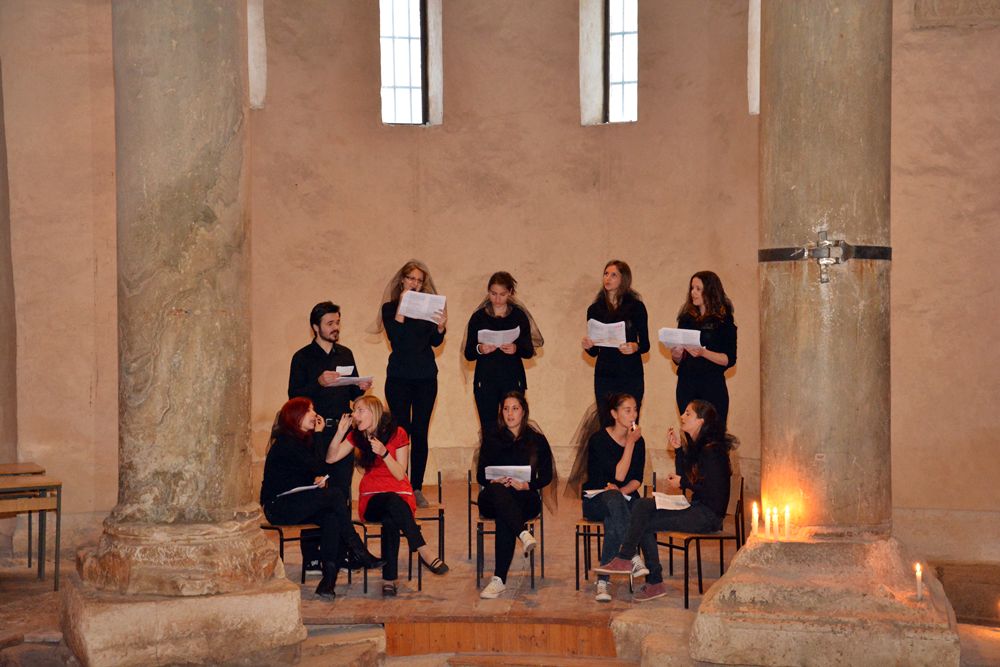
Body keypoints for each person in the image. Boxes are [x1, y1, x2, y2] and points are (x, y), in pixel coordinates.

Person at [595, 399, 737, 602]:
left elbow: (713, 491)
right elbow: (685, 478)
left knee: (644, 521)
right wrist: (678, 450)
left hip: (708, 516)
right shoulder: (700, 446)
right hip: (697, 508)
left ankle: (648, 576)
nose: (682, 416)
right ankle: (629, 561)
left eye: (688, 413)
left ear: (701, 421)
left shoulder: (712, 450)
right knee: (642, 505)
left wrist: (684, 482)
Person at [259, 398, 385, 600]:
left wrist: (315, 479)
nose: (315, 414)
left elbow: (314, 471)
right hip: (278, 507)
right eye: (309, 410)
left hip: (296, 503)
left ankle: (328, 582)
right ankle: (359, 550)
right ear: (296, 416)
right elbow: (319, 466)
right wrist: (319, 435)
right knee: (335, 495)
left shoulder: (302, 440)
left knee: (331, 516)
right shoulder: (286, 442)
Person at [327, 395, 449, 597]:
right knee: (390, 502)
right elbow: (331, 458)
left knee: (391, 517)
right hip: (372, 498)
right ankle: (422, 548)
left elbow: (400, 474)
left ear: (374, 411)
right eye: (354, 410)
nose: (355, 415)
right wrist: (340, 433)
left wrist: (384, 453)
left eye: (360, 410)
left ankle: (389, 579)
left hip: (400, 494)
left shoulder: (398, 433)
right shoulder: (357, 436)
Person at [288, 301, 373, 569]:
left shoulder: (345, 354)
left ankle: (342, 553)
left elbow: (352, 392)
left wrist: (360, 387)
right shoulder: (302, 357)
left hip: (343, 431)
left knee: (341, 491)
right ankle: (312, 555)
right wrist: (318, 383)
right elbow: (294, 397)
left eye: (337, 322)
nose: (335, 327)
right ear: (316, 327)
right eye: (330, 323)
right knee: (315, 490)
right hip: (314, 434)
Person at [371, 260, 447, 509]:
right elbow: (396, 337)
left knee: (421, 432)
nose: (415, 284)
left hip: (425, 377)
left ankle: (416, 487)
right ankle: (400, 484)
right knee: (401, 432)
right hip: (399, 377)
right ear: (402, 280)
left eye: (419, 281)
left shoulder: (427, 308)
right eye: (411, 279)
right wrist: (403, 307)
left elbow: (435, 342)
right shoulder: (390, 308)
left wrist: (441, 327)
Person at [476, 392, 556, 599]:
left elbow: (546, 476)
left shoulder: (536, 440)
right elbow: (480, 475)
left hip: (524, 497)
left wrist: (527, 484)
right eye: (505, 409)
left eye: (515, 408)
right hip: (493, 496)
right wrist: (493, 481)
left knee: (505, 515)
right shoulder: (491, 438)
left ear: (523, 411)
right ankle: (522, 533)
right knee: (500, 495)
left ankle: (498, 580)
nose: (510, 413)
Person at [581, 393, 652, 603]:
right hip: (595, 500)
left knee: (614, 515)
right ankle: (632, 555)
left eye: (635, 409)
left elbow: (635, 480)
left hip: (623, 498)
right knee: (613, 502)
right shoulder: (598, 440)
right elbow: (618, 475)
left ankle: (602, 582)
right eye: (627, 410)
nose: (633, 415)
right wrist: (630, 442)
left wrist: (619, 493)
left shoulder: (639, 441)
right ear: (614, 414)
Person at [463, 272, 543, 432]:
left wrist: (516, 348)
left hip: (512, 377)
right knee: (489, 427)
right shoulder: (478, 317)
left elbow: (529, 351)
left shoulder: (518, 316)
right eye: (493, 293)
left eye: (502, 294)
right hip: (485, 378)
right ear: (488, 292)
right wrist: (481, 348)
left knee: (513, 426)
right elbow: (468, 353)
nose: (497, 299)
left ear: (510, 293)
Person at [581, 260, 650, 416]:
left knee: (630, 418)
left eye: (613, 275)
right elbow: (594, 352)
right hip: (605, 373)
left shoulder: (636, 307)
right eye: (606, 274)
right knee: (606, 419)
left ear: (623, 279)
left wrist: (635, 346)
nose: (608, 278)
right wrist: (588, 346)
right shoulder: (594, 309)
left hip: (630, 371)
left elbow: (645, 344)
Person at [669, 271, 737, 427]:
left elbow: (729, 359)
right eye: (692, 288)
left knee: (713, 433)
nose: (693, 292)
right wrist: (676, 354)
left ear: (710, 291)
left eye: (698, 289)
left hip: (712, 385)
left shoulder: (724, 321)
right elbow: (679, 359)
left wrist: (703, 352)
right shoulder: (686, 319)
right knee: (689, 432)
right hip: (687, 384)